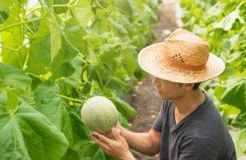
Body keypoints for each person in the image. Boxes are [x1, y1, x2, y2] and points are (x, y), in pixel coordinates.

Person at [91, 28, 236, 160]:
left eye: (163, 77)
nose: (154, 81)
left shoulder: (199, 139)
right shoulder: (176, 99)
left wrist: (125, 155)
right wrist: (117, 131)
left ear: (188, 83)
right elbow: (152, 142)